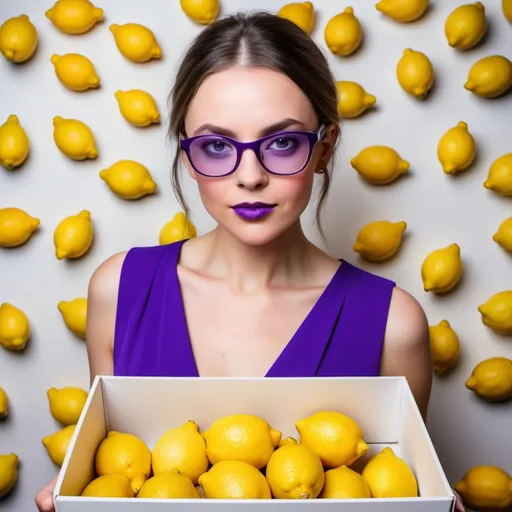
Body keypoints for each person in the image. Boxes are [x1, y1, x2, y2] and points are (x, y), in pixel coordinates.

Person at [35, 10, 435, 511]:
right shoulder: (118, 290)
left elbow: (397, 485)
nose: (249, 176)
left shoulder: (395, 324)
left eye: (283, 142)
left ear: (325, 148)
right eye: (217, 145)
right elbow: (114, 465)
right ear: (186, 154)